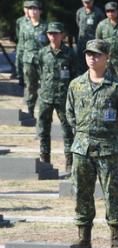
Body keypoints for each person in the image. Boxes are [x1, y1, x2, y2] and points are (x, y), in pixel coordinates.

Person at [67, 39, 118, 248]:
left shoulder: (117, 87)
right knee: (81, 195)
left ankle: (116, 239)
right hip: (82, 150)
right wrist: (83, 134)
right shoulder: (76, 85)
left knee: (112, 195)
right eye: (89, 54)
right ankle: (84, 239)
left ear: (107, 57)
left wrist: (110, 136)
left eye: (97, 55)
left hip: (108, 150)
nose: (92, 58)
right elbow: (70, 114)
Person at [37, 22, 78, 170]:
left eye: (56, 33)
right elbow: (39, 71)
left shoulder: (69, 53)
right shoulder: (42, 53)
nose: (53, 36)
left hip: (63, 98)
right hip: (46, 97)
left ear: (62, 35)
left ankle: (69, 163)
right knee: (43, 130)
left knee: (67, 130)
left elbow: (74, 76)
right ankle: (45, 160)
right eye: (50, 34)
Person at [16, 0, 47, 118]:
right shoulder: (24, 26)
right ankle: (30, 111)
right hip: (28, 61)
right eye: (30, 9)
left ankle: (44, 113)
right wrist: (18, 63)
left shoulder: (46, 26)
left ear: (40, 11)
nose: (33, 11)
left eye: (35, 9)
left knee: (45, 86)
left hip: (43, 61)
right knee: (30, 87)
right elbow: (21, 45)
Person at [75, 0, 105, 74]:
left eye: (88, 2)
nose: (87, 4)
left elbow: (101, 26)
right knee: (81, 62)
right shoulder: (80, 11)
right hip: (81, 41)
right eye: (85, 2)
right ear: (82, 1)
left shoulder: (98, 12)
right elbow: (78, 22)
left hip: (93, 43)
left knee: (93, 62)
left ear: (92, 1)